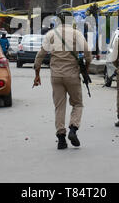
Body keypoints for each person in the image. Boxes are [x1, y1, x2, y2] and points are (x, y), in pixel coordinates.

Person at [33, 10, 91, 150]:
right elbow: (88, 54)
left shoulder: (51, 34)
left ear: (58, 21)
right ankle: (73, 129)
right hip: (72, 75)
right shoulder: (76, 34)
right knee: (77, 104)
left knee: (59, 107)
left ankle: (61, 139)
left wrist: (37, 74)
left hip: (56, 76)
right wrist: (86, 69)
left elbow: (40, 56)